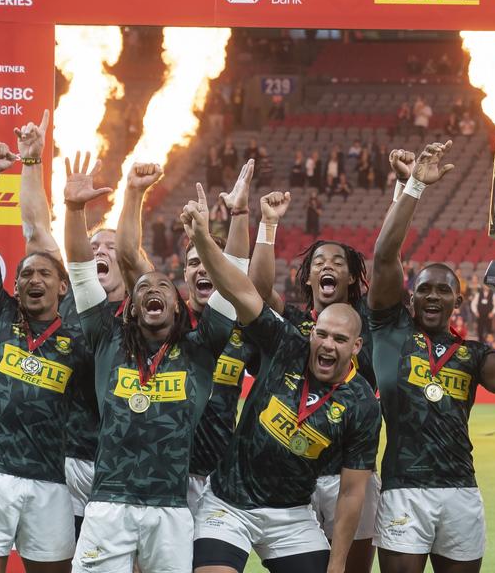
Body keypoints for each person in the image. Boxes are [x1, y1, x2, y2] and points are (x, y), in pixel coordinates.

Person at [181, 195, 382, 573]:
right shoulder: (287, 343)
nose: (326, 344)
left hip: (290, 514)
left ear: (356, 347)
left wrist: (337, 566)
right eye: (321, 335)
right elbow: (242, 290)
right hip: (229, 502)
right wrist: (205, 240)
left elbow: (353, 492)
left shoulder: (362, 404)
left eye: (339, 341)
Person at [368, 141, 495, 572]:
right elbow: (385, 255)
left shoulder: (471, 354)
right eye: (423, 287)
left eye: (443, 289)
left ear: (457, 302)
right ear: (410, 298)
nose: (432, 295)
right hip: (404, 490)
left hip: (461, 490)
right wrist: (412, 189)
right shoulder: (390, 331)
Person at [63, 159, 231, 573]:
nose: (152, 289)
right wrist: (73, 210)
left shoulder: (199, 347)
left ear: (178, 307)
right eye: (143, 288)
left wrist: (240, 219)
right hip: (107, 504)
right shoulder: (108, 338)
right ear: (131, 309)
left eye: (163, 287)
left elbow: (233, 278)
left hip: (170, 509)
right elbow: (82, 273)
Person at [0, 142, 83, 572]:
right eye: (25, 273)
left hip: (48, 480)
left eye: (45, 273)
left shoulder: (80, 333)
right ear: (16, 284)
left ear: (63, 287)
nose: (33, 279)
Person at [249, 190, 382, 573]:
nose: (328, 266)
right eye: (319, 261)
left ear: (353, 277)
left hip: (350, 476)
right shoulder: (291, 324)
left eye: (338, 262)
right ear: (308, 276)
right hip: (296, 477)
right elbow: (258, 291)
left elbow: (389, 262)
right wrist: (269, 225)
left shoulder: (369, 324)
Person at [115, 159, 256, 513]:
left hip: (219, 473)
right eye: (194, 262)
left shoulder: (239, 325)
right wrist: (134, 192)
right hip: (162, 468)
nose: (203, 268)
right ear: (183, 271)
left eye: (210, 262)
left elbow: (238, 270)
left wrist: (240, 213)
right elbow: (130, 257)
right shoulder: (163, 313)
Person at [14, 113, 125, 541]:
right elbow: (37, 230)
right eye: (94, 244)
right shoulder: (70, 299)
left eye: (111, 248)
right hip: (64, 461)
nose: (100, 250)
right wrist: (30, 163)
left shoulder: (144, 311)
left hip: (122, 466)